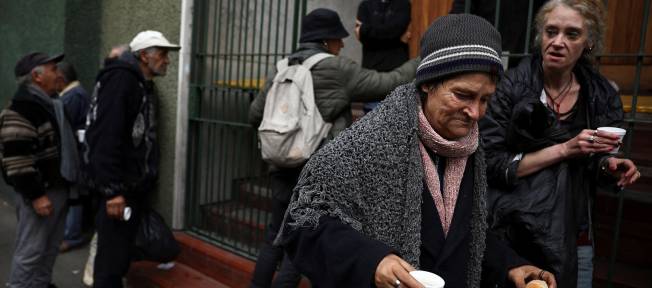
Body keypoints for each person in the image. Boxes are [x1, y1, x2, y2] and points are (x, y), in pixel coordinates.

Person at [274, 14, 556, 288]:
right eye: (463, 95)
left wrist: (510, 265)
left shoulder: (469, 147)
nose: (476, 112)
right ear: (428, 84)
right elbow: (304, 222)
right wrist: (373, 262)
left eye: (485, 99)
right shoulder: (366, 144)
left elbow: (462, 238)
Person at [248, 8, 418, 288]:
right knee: (299, 248)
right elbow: (386, 83)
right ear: (326, 41)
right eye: (338, 40)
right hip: (316, 170)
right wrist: (426, 59)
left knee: (273, 238)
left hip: (280, 165)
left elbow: (255, 114)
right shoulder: (336, 68)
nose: (342, 45)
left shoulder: (282, 67)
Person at [479, 1, 641, 287]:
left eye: (572, 34)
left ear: (589, 42)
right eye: (551, 31)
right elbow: (490, 163)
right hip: (513, 231)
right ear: (540, 35)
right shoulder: (511, 86)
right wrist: (565, 149)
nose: (558, 42)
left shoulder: (600, 96)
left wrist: (609, 165)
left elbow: (595, 163)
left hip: (572, 232)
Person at [85, 31, 180, 288]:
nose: (167, 60)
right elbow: (107, 137)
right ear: (143, 56)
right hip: (119, 191)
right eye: (162, 54)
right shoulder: (122, 81)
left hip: (130, 190)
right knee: (110, 264)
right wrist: (113, 191)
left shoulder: (138, 83)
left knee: (119, 258)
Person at [1, 52, 79, 288]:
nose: (59, 74)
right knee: (31, 251)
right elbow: (17, 160)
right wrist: (36, 195)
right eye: (53, 69)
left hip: (57, 188)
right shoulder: (22, 109)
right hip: (41, 193)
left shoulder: (50, 104)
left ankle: (41, 284)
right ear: (36, 76)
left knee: (49, 247)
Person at [55, 61, 91, 253]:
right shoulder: (73, 95)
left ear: (61, 79)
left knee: (74, 195)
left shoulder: (73, 97)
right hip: (75, 153)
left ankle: (72, 235)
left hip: (74, 154)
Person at [355, 0, 412, 114]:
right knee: (371, 120)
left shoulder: (403, 4)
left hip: (396, 71)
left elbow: (397, 29)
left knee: (397, 117)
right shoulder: (365, 5)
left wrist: (367, 30)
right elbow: (363, 35)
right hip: (372, 72)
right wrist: (396, 38)